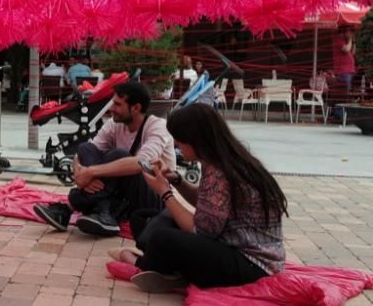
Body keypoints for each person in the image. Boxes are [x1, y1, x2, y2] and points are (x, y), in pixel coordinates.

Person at [112, 104, 287, 293]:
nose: (176, 145)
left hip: (252, 265)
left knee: (163, 237)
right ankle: (169, 269)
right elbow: (206, 204)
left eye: (179, 139)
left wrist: (165, 193)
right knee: (144, 218)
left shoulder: (221, 173)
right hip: (233, 246)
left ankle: (140, 262)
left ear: (195, 139)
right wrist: (177, 180)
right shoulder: (223, 160)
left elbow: (201, 230)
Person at [32, 81, 176, 237]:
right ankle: (104, 211)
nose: (111, 109)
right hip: (122, 194)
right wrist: (80, 174)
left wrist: (90, 172)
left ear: (136, 108)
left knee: (118, 155)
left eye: (117, 104)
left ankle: (69, 207)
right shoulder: (115, 124)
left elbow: (140, 163)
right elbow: (82, 154)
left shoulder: (158, 126)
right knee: (85, 148)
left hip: (155, 197)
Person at [332, 25, 356, 121]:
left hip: (348, 71)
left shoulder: (344, 41)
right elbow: (346, 49)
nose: (351, 34)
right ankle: (340, 115)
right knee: (343, 94)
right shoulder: (338, 39)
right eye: (350, 32)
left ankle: (340, 114)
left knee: (345, 94)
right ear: (345, 32)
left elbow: (353, 52)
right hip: (343, 72)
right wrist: (350, 40)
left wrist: (353, 41)